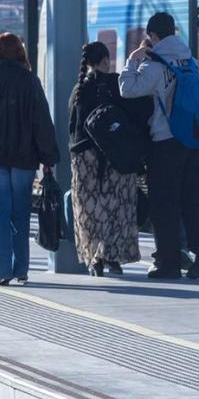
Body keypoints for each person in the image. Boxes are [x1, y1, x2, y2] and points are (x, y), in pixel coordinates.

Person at [120, 12, 199, 280]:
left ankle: (168, 262)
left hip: (167, 141)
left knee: (164, 203)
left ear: (153, 36)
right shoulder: (192, 61)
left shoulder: (154, 65)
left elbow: (128, 89)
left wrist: (133, 59)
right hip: (196, 141)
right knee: (192, 199)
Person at [0, 33, 58, 286]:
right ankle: (22, 268)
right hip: (24, 158)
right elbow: (42, 122)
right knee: (20, 213)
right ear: (19, 53)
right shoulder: (30, 81)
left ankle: (2, 270)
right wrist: (48, 157)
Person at [68, 42, 142, 276]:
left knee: (89, 208)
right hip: (116, 157)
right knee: (117, 206)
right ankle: (113, 257)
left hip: (85, 157)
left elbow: (73, 127)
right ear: (106, 60)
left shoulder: (79, 88)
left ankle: (93, 258)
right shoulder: (116, 85)